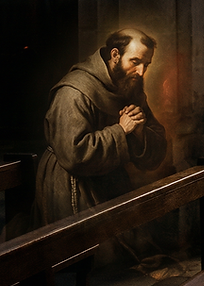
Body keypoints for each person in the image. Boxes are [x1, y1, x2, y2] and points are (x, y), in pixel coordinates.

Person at [33, 28, 167, 265]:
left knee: (134, 253)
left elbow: (157, 149)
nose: (141, 71)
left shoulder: (129, 85)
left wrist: (139, 132)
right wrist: (121, 131)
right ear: (115, 54)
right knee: (98, 259)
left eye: (147, 64)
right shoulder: (73, 91)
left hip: (110, 182)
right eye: (135, 62)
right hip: (73, 186)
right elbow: (74, 155)